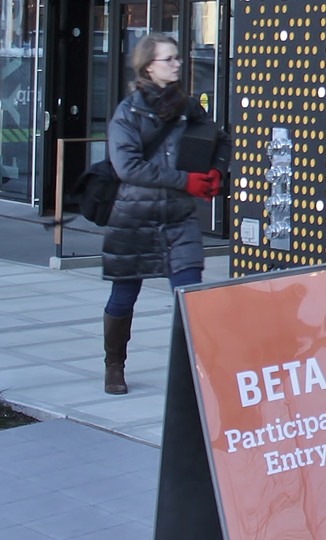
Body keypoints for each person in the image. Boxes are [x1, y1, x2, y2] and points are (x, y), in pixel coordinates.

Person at [100, 32, 223, 395]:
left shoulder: (187, 106)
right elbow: (129, 168)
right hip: (134, 217)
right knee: (124, 297)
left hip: (178, 218)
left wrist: (217, 170)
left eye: (177, 57)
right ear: (148, 67)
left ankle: (196, 372)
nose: (177, 64)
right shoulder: (128, 112)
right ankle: (114, 365)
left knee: (190, 295)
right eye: (168, 59)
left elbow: (220, 139)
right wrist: (186, 180)